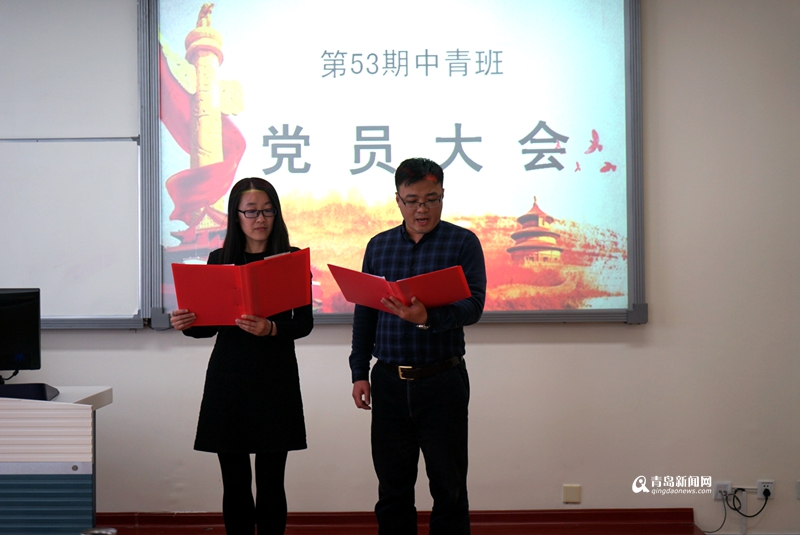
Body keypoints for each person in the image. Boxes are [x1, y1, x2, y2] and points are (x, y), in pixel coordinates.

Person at [349, 158, 487, 535]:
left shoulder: (462, 243)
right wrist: (359, 373)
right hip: (389, 383)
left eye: (431, 199)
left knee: (449, 489)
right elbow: (365, 315)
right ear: (398, 200)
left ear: (443, 196)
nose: (422, 209)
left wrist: (427, 317)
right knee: (392, 491)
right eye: (412, 201)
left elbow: (474, 305)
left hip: (442, 381)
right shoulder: (379, 247)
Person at [170, 177, 313, 535]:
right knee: (234, 481)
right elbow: (207, 328)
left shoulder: (292, 259)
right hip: (229, 378)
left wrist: (271, 329)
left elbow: (304, 323)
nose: (260, 219)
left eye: (267, 211)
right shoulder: (220, 260)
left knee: (271, 481)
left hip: (275, 378)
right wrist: (187, 322)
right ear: (236, 215)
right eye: (251, 211)